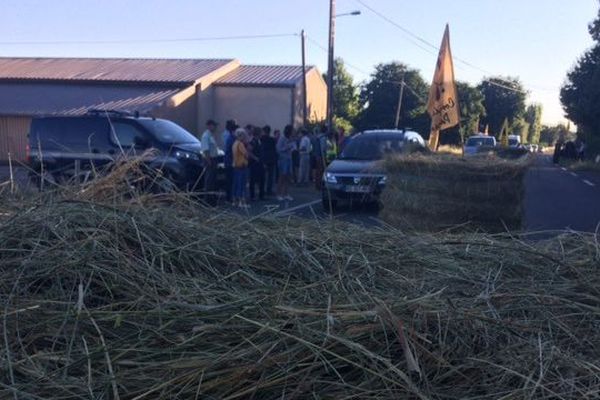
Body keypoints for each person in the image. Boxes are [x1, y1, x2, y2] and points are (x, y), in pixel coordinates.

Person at [200, 119, 220, 198]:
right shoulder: (206, 136)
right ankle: (207, 198)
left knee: (213, 180)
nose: (215, 127)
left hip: (214, 159)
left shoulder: (211, 135)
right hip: (209, 159)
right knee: (209, 179)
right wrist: (209, 161)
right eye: (214, 125)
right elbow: (205, 150)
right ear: (209, 126)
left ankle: (212, 197)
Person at [276, 125, 295, 201]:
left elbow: (293, 146)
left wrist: (293, 148)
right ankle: (279, 194)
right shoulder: (282, 138)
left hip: (289, 158)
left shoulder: (290, 138)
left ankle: (286, 193)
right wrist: (287, 147)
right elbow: (278, 149)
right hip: (283, 159)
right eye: (292, 130)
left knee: (288, 176)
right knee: (282, 176)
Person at [232, 128, 250, 208]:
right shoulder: (240, 144)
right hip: (242, 165)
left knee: (236, 184)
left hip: (236, 165)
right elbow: (246, 154)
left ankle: (235, 201)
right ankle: (241, 202)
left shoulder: (235, 143)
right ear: (241, 135)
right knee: (242, 184)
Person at [248, 127, 265, 201]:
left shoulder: (259, 141)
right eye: (261, 132)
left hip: (260, 163)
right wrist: (255, 158)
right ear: (258, 133)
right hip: (254, 163)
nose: (262, 134)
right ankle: (252, 196)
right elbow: (249, 151)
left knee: (262, 179)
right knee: (253, 179)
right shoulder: (253, 141)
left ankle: (261, 195)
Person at [223, 120, 237, 203]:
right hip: (229, 162)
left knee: (231, 180)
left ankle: (230, 197)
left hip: (230, 161)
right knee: (229, 180)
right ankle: (228, 198)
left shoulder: (232, 138)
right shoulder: (230, 139)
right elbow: (231, 151)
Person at [260, 125, 277, 196]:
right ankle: (269, 190)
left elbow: (261, 149)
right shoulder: (272, 140)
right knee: (270, 176)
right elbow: (274, 149)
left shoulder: (261, 139)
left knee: (264, 176)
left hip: (264, 159)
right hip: (271, 159)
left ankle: (263, 190)